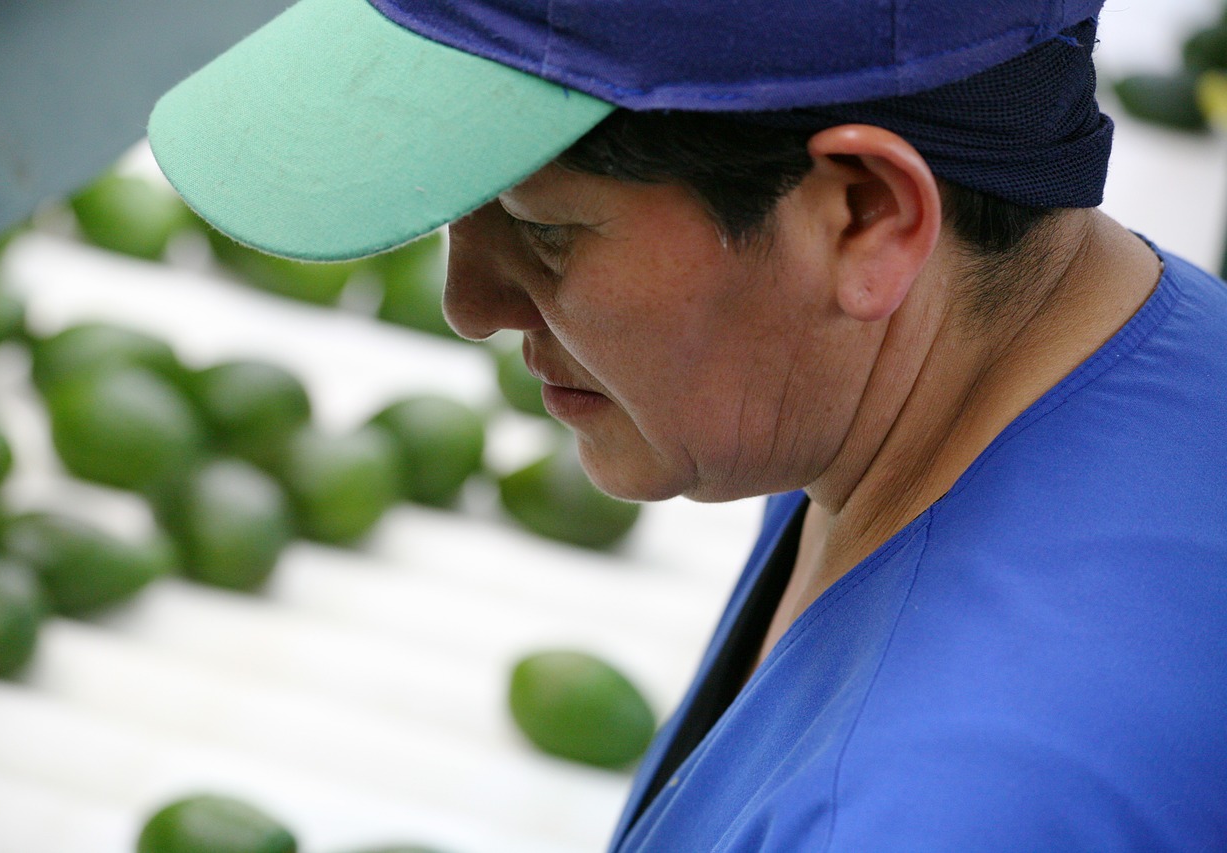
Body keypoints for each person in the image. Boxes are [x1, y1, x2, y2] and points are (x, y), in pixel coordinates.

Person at [148, 0, 1227, 849]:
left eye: (548, 231)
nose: (467, 303)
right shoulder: (1020, 370)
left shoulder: (933, 812)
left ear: (863, 215)